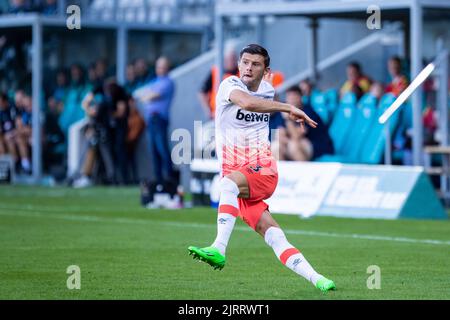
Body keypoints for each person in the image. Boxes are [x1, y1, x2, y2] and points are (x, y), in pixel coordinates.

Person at [188, 44, 336, 293]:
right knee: (274, 235)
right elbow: (247, 102)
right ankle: (319, 279)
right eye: (245, 62)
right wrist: (288, 107)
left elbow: (258, 98)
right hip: (240, 181)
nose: (248, 67)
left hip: (262, 170)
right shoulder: (229, 85)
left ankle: (218, 248)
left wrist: (283, 103)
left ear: (266, 69)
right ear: (238, 65)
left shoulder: (267, 89)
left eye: (255, 64)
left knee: (226, 184)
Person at [138, 56, 175, 185]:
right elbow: (146, 95)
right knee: (154, 151)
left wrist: (147, 96)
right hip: (152, 120)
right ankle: (159, 179)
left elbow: (151, 95)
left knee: (162, 149)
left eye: (163, 67)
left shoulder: (167, 82)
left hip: (159, 119)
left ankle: (170, 177)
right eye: (159, 67)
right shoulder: (155, 81)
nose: (160, 69)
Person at [198, 47, 239, 120]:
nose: (231, 61)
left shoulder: (241, 73)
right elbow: (202, 92)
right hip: (217, 115)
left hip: (236, 116)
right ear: (225, 59)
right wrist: (208, 111)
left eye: (233, 58)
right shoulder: (215, 71)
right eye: (229, 59)